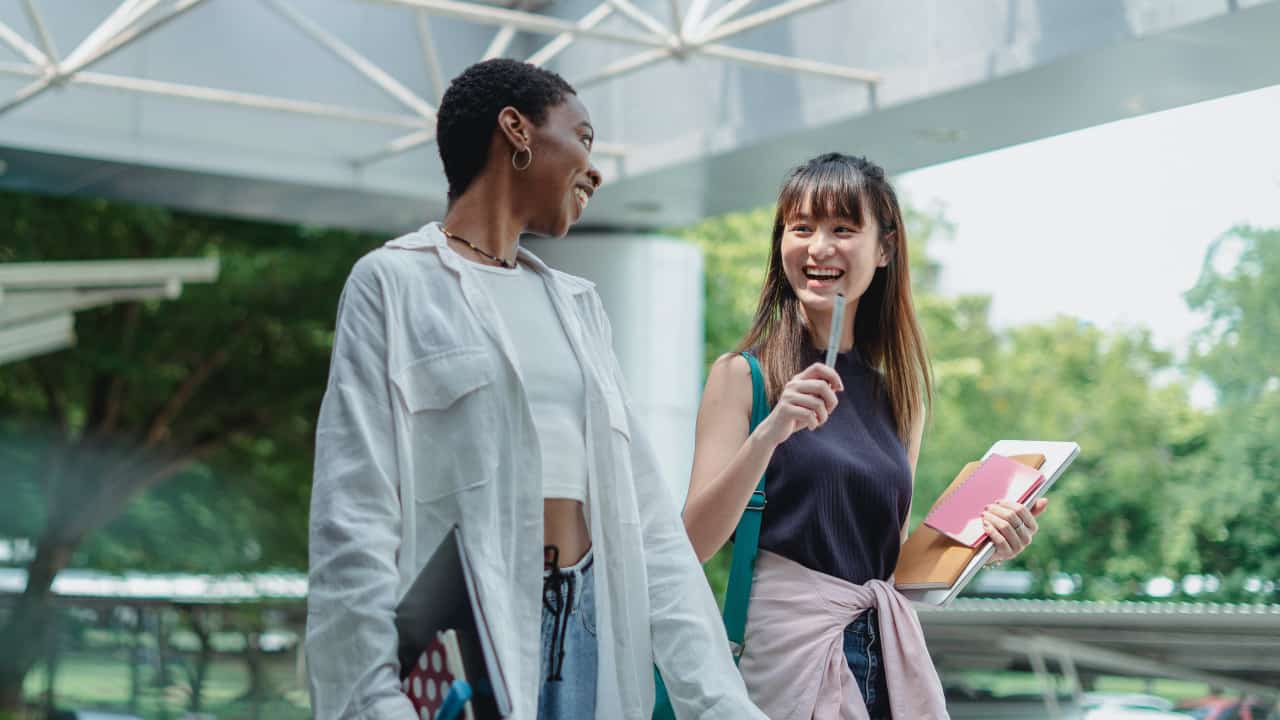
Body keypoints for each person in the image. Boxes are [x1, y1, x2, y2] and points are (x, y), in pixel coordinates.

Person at [306, 59, 764, 720]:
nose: (595, 168)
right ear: (516, 130)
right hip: (472, 640)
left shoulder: (577, 306)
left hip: (586, 628)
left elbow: (649, 527)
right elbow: (353, 512)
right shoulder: (393, 284)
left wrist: (722, 704)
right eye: (582, 137)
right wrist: (373, 697)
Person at [682, 153, 1047, 719]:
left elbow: (891, 562)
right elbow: (692, 545)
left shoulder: (900, 394)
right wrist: (771, 432)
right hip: (785, 660)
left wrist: (984, 547)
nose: (818, 247)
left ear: (884, 250)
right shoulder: (743, 376)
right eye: (800, 228)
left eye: (843, 229)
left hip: (884, 654)